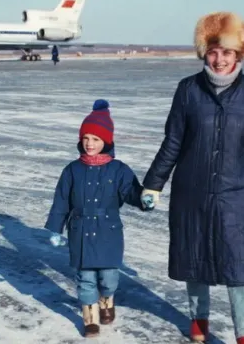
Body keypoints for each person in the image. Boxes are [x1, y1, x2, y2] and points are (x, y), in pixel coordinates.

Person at [140, 12, 244, 344]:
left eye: (227, 52)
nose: (219, 60)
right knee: (195, 257)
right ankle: (198, 321)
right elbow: (173, 141)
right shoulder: (188, 90)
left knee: (241, 264)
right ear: (204, 51)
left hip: (239, 194)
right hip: (193, 190)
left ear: (239, 54)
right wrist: (154, 183)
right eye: (213, 51)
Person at [45, 99, 154, 338]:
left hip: (108, 232)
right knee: (85, 279)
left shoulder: (119, 169)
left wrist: (144, 199)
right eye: (86, 138)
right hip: (80, 230)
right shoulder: (72, 170)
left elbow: (130, 192)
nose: (89, 144)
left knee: (108, 278)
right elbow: (61, 200)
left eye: (95, 139)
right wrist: (55, 229)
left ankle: (107, 300)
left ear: (106, 141)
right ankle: (90, 318)